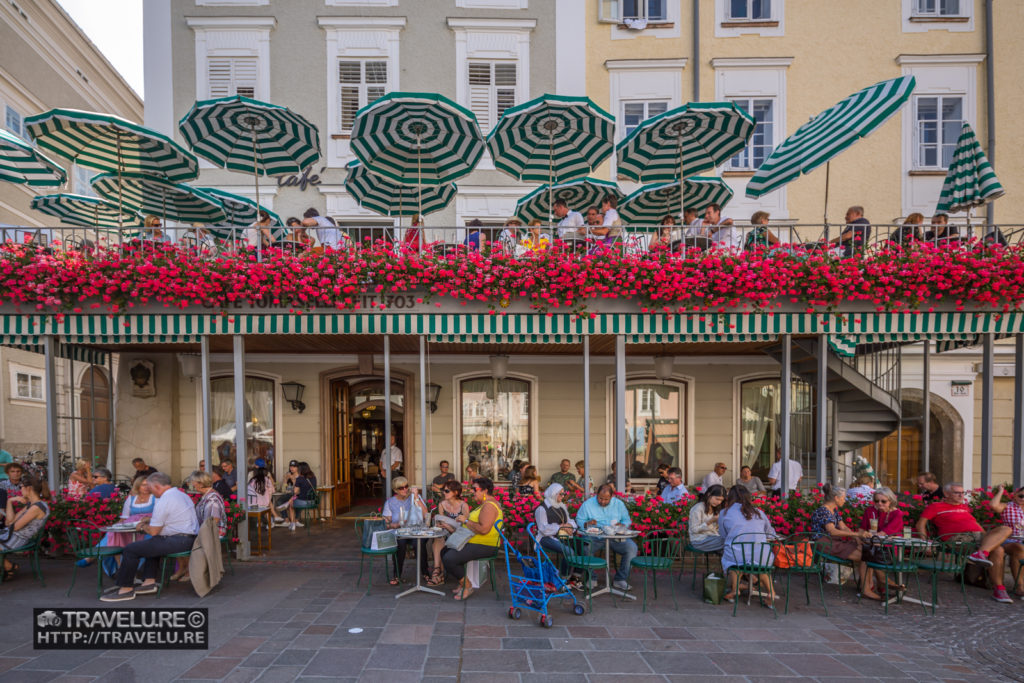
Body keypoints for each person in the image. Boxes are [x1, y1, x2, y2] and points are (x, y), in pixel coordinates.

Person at [101, 472, 199, 602]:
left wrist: (141, 527)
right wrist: (150, 519)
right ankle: (149, 582)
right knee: (153, 544)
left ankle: (125, 589)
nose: (149, 490)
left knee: (131, 549)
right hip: (187, 538)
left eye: (150, 488)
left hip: (177, 540)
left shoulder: (164, 500)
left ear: (157, 486)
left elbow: (153, 531)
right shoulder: (181, 495)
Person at [916, 482, 1014, 603]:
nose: (961, 495)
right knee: (998, 550)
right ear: (946, 494)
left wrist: (985, 536)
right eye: (957, 492)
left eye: (962, 493)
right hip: (957, 539)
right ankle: (999, 589)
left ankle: (982, 554)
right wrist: (926, 542)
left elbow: (975, 524)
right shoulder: (935, 507)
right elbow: (920, 524)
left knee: (1007, 529)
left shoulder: (964, 507)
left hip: (978, 537)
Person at [441, 477, 503, 600]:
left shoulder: (489, 506)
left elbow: (484, 529)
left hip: (486, 545)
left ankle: (467, 586)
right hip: (476, 542)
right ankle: (462, 582)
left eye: (475, 489)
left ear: (485, 490)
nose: (472, 492)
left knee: (449, 558)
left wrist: (466, 520)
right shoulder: (485, 505)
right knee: (444, 551)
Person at [719, 485, 776, 603]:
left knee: (734, 559)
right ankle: (771, 592)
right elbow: (770, 534)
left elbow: (723, 535)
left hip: (736, 555)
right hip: (761, 556)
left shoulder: (724, 513)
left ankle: (735, 589)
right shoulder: (759, 512)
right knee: (761, 565)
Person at [576, 484, 637, 591]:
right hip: (595, 537)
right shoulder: (588, 504)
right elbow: (579, 520)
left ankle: (620, 579)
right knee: (585, 547)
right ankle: (592, 577)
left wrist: (621, 525)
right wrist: (587, 524)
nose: (602, 501)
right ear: (596, 495)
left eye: (606, 499)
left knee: (632, 548)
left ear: (611, 497)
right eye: (600, 498)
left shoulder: (618, 504)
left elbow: (627, 521)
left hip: (615, 537)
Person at [810, 484, 869, 590]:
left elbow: (843, 527)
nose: (845, 500)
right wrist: (857, 534)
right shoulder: (823, 511)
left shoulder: (834, 510)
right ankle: (866, 588)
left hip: (832, 541)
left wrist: (857, 539)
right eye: (843, 498)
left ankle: (866, 585)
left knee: (866, 551)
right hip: (824, 543)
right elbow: (833, 531)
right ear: (836, 498)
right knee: (866, 557)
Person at [857, 486, 905, 600]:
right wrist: (860, 539)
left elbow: (883, 534)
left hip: (890, 549)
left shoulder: (897, 514)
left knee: (867, 555)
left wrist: (868, 538)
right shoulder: (870, 510)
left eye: (883, 501)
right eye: (877, 501)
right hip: (873, 545)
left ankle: (873, 586)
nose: (879, 504)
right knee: (866, 553)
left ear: (891, 501)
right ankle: (883, 583)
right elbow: (862, 529)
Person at [382, 476, 430, 584]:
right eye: (401, 488)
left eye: (406, 486)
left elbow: (425, 514)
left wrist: (416, 497)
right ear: (395, 490)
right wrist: (395, 525)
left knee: (419, 542)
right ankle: (397, 574)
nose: (404, 489)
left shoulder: (414, 497)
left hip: (417, 530)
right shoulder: (390, 503)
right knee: (400, 542)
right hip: (400, 532)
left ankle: (425, 572)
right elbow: (385, 523)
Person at [0, 474, 49, 580]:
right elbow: (9, 523)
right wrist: (10, 501)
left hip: (17, 539)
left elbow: (15, 527)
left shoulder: (37, 507)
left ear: (29, 488)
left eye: (21, 486)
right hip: (12, 536)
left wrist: (12, 522)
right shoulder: (31, 505)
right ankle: (9, 566)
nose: (20, 489)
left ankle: (10, 567)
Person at [425, 480, 471, 587]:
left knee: (441, 534)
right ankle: (437, 570)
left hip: (459, 535)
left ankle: (439, 575)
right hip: (445, 533)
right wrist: (442, 526)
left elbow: (465, 528)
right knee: (439, 537)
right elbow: (441, 525)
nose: (443, 493)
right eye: (443, 491)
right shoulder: (442, 505)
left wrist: (449, 527)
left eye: (446, 491)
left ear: (455, 492)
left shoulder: (463, 506)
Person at [533, 482, 577, 578]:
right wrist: (560, 527)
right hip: (545, 538)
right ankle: (564, 577)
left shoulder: (561, 506)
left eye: (563, 494)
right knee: (568, 551)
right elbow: (543, 528)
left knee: (582, 547)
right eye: (561, 494)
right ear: (554, 494)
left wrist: (569, 526)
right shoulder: (542, 509)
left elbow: (571, 521)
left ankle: (575, 575)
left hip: (562, 536)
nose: (563, 496)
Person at [989, 485, 1024, 596]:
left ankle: (1020, 586)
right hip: (1008, 540)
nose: (1023, 498)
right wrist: (1001, 491)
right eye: (1021, 495)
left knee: (1020, 548)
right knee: (1019, 548)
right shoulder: (1008, 506)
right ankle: (1020, 586)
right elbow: (993, 506)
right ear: (1014, 495)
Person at [279, 462, 318, 531]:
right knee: (292, 500)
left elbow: (295, 492)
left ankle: (293, 524)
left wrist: (293, 481)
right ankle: (295, 521)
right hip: (313, 502)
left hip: (303, 502)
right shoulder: (313, 477)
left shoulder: (300, 478)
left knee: (291, 505)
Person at [689, 484, 726, 552]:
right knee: (728, 542)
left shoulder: (716, 508)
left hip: (713, 537)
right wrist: (710, 521)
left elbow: (717, 530)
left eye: (721, 500)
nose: (719, 502)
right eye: (717, 499)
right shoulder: (698, 508)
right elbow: (694, 529)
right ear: (709, 494)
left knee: (731, 542)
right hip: (699, 540)